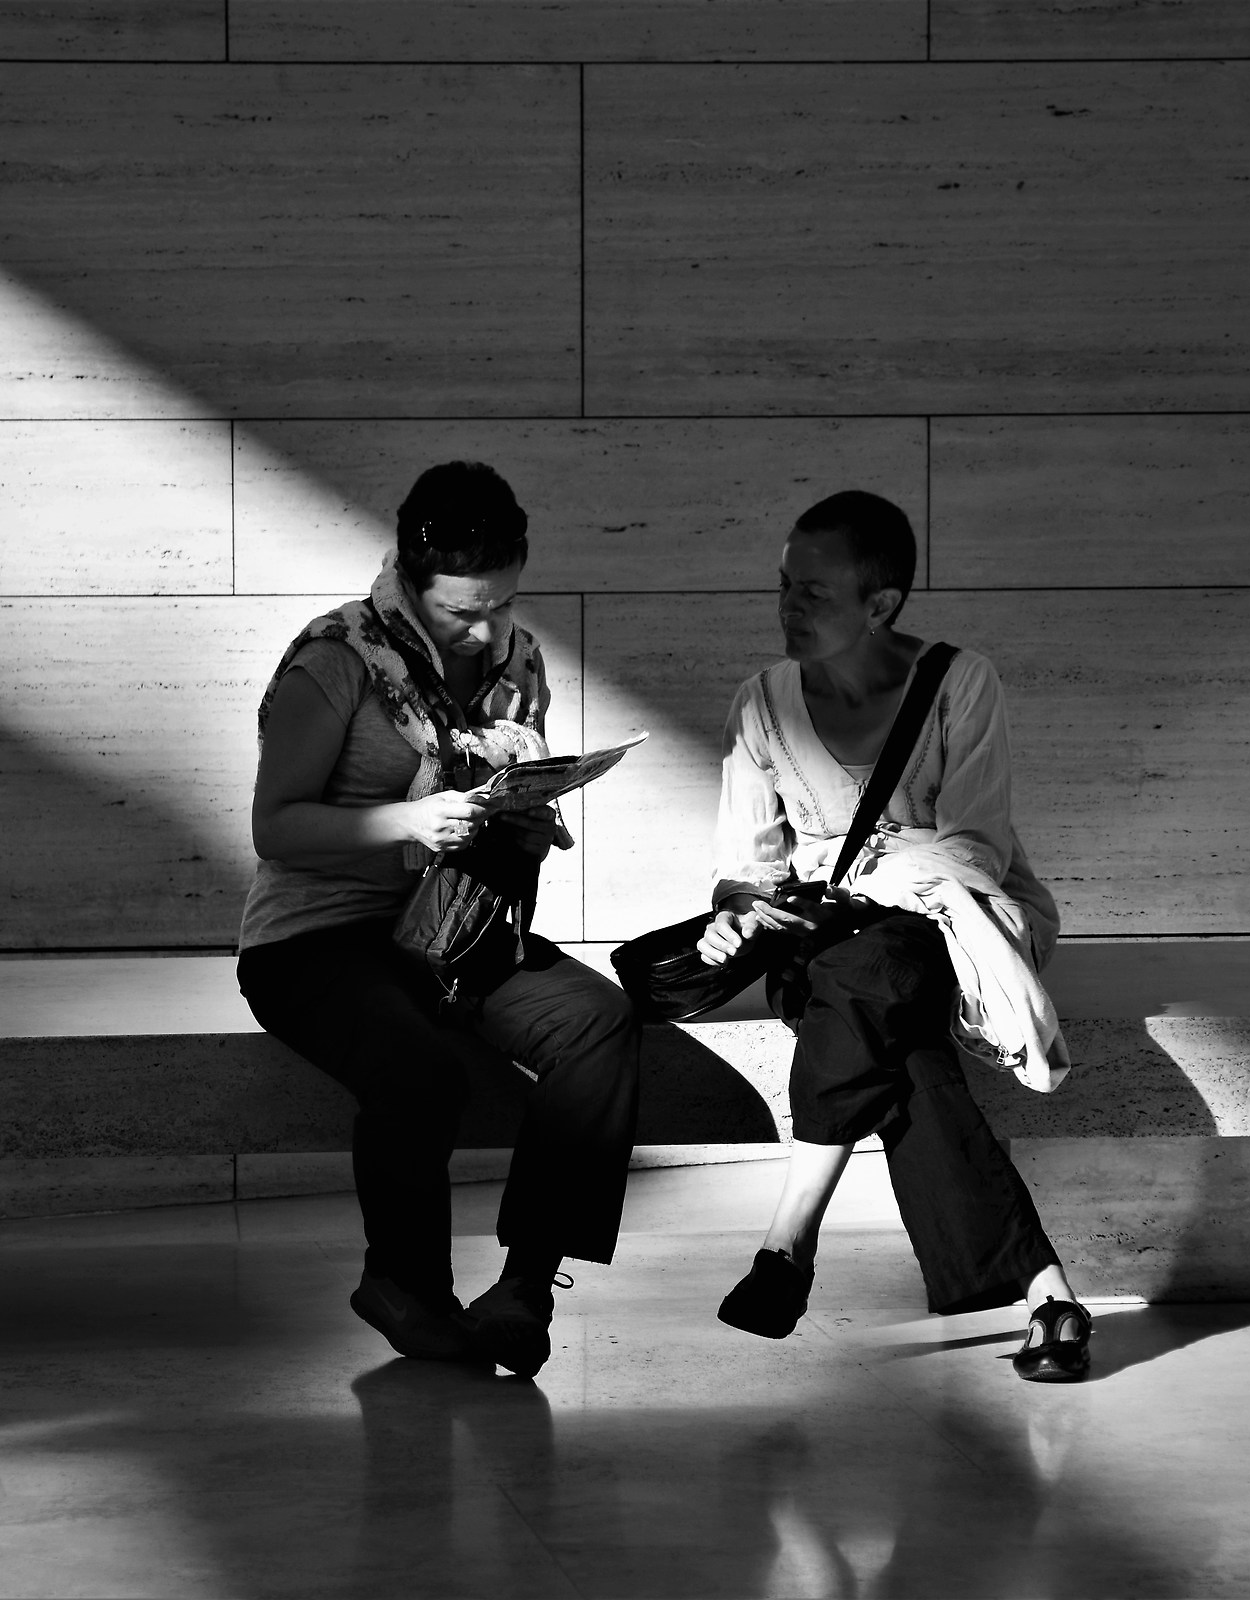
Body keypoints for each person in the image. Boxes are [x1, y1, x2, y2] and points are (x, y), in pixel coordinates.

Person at [237, 461, 640, 1380]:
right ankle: (404, 1288)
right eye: (463, 613)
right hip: (316, 939)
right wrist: (410, 822)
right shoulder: (335, 657)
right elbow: (276, 827)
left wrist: (532, 822)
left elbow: (501, 803)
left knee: (599, 1021)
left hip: (457, 924)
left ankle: (525, 1289)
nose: (488, 629)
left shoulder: (518, 658)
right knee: (420, 1070)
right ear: (411, 585)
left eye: (503, 602)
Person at [695, 490, 1092, 1381]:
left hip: (951, 935)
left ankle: (790, 1234)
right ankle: (1046, 1299)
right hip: (825, 951)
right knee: (877, 1006)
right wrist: (737, 912)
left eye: (814, 594)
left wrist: (847, 872)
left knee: (877, 977)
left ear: (881, 606)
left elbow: (974, 852)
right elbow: (748, 866)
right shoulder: (760, 704)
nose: (789, 610)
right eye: (784, 588)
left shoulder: (961, 683)